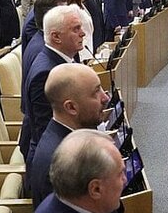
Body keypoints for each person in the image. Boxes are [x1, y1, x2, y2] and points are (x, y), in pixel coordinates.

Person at [28, 63, 109, 205]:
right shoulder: (64, 165)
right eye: (96, 92)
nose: (105, 98)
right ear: (71, 107)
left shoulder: (68, 138)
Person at [19, 5, 85, 163]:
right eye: (76, 29)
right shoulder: (46, 73)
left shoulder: (59, 61)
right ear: (56, 37)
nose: (82, 33)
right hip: (56, 163)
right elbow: (48, 132)